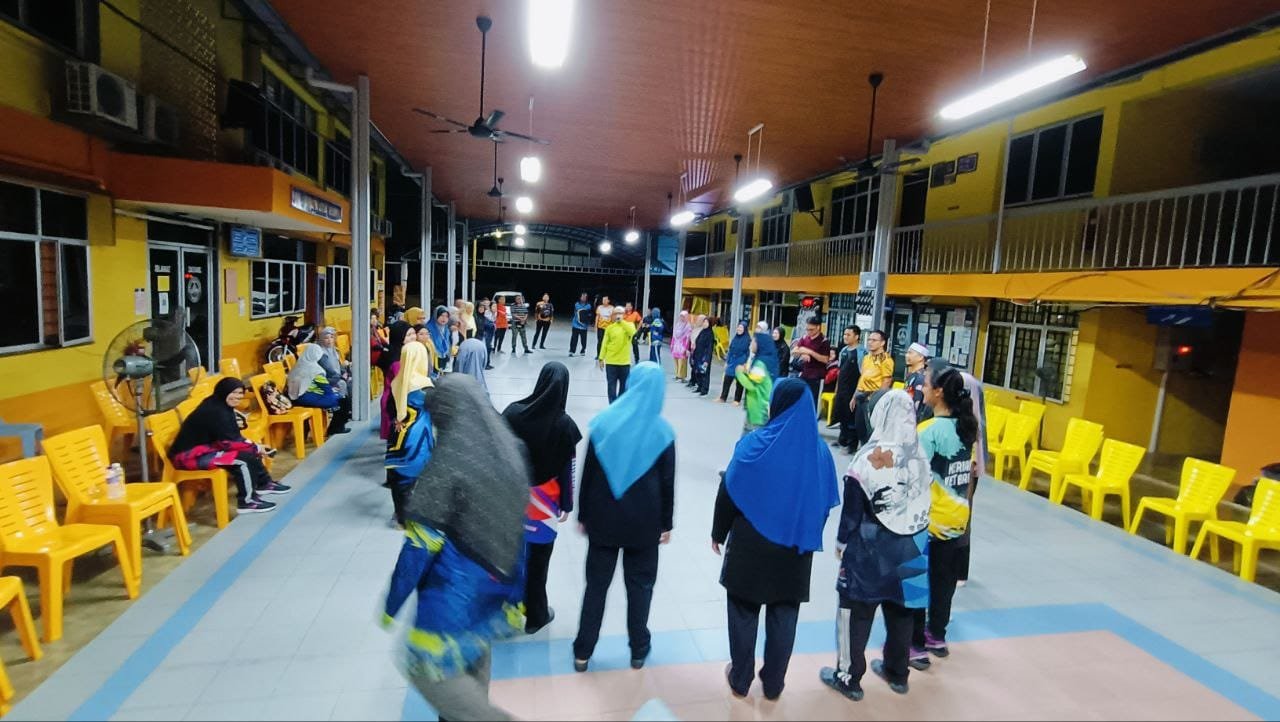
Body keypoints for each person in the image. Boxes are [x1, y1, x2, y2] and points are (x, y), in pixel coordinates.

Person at [382, 374, 529, 722]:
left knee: (428, 670)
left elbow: (419, 548)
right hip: (496, 585)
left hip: (455, 591)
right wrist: (516, 597)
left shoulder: (447, 464)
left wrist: (392, 604)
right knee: (475, 656)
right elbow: (520, 536)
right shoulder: (510, 454)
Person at [715, 379, 839, 700]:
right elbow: (825, 504)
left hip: (750, 545)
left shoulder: (753, 444)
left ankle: (740, 677)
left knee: (743, 609)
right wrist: (806, 532)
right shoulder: (820, 453)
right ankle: (773, 683)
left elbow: (729, 490)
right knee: (784, 613)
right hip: (795, 548)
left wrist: (718, 532)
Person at [821, 389, 933, 701]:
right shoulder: (920, 456)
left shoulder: (867, 459)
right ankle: (898, 673)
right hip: (914, 546)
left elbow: (852, 512)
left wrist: (841, 542)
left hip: (870, 551)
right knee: (902, 612)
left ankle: (849, 677)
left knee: (855, 613)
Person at [573, 362, 675, 673]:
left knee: (596, 587)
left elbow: (588, 475)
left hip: (603, 520)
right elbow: (667, 483)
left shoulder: (604, 423)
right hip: (644, 524)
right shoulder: (662, 432)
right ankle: (638, 650)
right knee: (640, 588)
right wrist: (666, 524)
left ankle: (583, 651)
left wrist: (583, 514)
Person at [502, 362, 582, 635]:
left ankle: (507, 609)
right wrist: (567, 504)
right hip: (544, 506)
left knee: (511, 555)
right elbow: (567, 469)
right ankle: (536, 615)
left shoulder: (513, 413)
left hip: (512, 498)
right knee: (538, 562)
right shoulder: (565, 425)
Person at [911, 361, 979, 666]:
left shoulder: (928, 431)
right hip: (957, 519)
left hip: (929, 523)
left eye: (926, 384)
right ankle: (936, 635)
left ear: (938, 392)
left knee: (915, 582)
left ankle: (914, 645)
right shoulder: (966, 428)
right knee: (943, 582)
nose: (922, 388)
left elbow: (915, 478)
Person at [169, 377, 287, 514]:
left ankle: (264, 484)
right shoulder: (216, 411)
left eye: (240, 393)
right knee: (242, 461)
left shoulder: (220, 403)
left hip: (206, 448)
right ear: (224, 391)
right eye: (234, 392)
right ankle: (246, 502)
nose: (238, 397)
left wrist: (254, 447)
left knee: (249, 452)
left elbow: (230, 437)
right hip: (188, 456)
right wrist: (256, 447)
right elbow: (228, 443)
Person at [386, 341, 435, 528]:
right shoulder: (425, 385)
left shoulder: (397, 382)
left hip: (397, 438)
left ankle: (400, 516)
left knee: (399, 478)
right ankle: (414, 515)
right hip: (419, 439)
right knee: (416, 476)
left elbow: (390, 410)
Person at [287, 344, 351, 436]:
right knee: (344, 401)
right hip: (307, 398)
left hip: (295, 399)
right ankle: (336, 428)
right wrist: (335, 393)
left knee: (338, 397)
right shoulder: (315, 370)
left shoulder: (297, 367)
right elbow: (327, 390)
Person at [852, 330, 895, 446]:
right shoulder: (867, 358)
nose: (870, 342)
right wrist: (854, 396)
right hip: (861, 395)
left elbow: (886, 381)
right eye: (869, 340)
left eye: (874, 340)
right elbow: (862, 377)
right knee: (860, 427)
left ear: (882, 343)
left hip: (873, 397)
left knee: (870, 430)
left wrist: (876, 399)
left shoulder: (886, 360)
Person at [379, 321, 415, 440]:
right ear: (399, 337)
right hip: (394, 401)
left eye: (413, 333)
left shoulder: (405, 352)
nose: (413, 337)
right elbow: (403, 383)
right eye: (408, 335)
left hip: (398, 399)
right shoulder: (397, 360)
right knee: (397, 440)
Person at [832, 326, 865, 450]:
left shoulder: (862, 352)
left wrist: (857, 393)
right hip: (842, 388)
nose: (845, 337)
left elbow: (863, 374)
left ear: (856, 336)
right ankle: (842, 439)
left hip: (853, 388)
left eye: (848, 335)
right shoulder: (843, 351)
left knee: (851, 415)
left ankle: (852, 443)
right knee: (841, 414)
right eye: (844, 334)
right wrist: (837, 388)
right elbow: (840, 371)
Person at [736, 334, 775, 435]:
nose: (751, 344)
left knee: (750, 438)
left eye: (753, 342)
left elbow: (751, 385)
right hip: (759, 406)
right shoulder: (766, 360)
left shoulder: (760, 364)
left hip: (758, 408)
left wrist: (739, 372)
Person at [792, 317, 832, 412]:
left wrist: (810, 352)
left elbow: (825, 359)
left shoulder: (824, 341)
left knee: (814, 401)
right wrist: (802, 353)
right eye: (807, 329)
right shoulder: (804, 338)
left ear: (818, 327)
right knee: (801, 398)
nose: (809, 332)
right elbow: (794, 351)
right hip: (804, 373)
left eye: (811, 329)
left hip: (817, 376)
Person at [598, 306, 636, 403]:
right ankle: (612, 405)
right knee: (611, 387)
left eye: (620, 313)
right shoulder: (610, 328)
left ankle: (620, 404)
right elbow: (604, 344)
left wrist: (622, 322)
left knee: (624, 387)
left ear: (624, 315)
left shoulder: (629, 325)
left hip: (624, 363)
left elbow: (632, 333)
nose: (618, 315)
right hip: (611, 363)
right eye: (616, 313)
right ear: (612, 315)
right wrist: (601, 358)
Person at [717, 321, 751, 405]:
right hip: (732, 362)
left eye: (741, 328)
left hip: (741, 362)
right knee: (727, 379)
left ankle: (737, 400)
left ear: (745, 329)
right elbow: (730, 350)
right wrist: (727, 362)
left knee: (739, 382)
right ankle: (723, 397)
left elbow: (748, 353)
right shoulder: (735, 338)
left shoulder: (747, 340)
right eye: (738, 327)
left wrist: (745, 363)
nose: (739, 329)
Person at [317, 326, 350, 398]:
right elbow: (331, 371)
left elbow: (338, 365)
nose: (329, 340)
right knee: (342, 384)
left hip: (337, 377)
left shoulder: (334, 350)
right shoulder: (322, 354)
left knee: (351, 380)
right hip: (328, 379)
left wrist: (344, 372)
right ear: (322, 340)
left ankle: (351, 402)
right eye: (326, 338)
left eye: (331, 337)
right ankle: (341, 402)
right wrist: (342, 377)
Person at [904, 343, 932, 422]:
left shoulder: (920, 378)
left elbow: (916, 404)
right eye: (907, 353)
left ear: (920, 357)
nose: (906, 355)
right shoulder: (912, 375)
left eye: (910, 353)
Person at [689, 315, 714, 396]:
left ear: (709, 324)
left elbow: (709, 348)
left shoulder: (710, 334)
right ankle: (699, 387)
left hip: (704, 357)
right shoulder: (702, 332)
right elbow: (697, 342)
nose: (704, 324)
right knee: (698, 372)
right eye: (704, 322)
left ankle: (704, 389)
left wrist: (707, 360)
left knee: (704, 373)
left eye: (706, 322)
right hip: (698, 355)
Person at [427, 306, 454, 374]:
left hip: (444, 356)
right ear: (436, 315)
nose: (444, 318)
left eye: (446, 316)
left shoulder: (446, 329)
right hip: (432, 358)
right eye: (441, 315)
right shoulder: (428, 328)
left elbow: (449, 343)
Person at [671, 310, 692, 382]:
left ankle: (682, 376)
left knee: (682, 361)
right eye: (681, 316)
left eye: (683, 317)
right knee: (676, 360)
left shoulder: (688, 326)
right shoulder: (678, 325)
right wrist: (672, 344)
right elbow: (674, 335)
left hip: (683, 346)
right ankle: (677, 375)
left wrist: (686, 347)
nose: (682, 318)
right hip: (676, 346)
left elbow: (688, 338)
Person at [478, 298, 497, 368]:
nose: (495, 308)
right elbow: (487, 324)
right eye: (494, 306)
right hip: (484, 335)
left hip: (489, 334)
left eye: (496, 307)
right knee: (486, 349)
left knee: (488, 348)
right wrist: (493, 325)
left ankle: (487, 363)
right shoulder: (485, 314)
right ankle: (485, 364)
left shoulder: (494, 313)